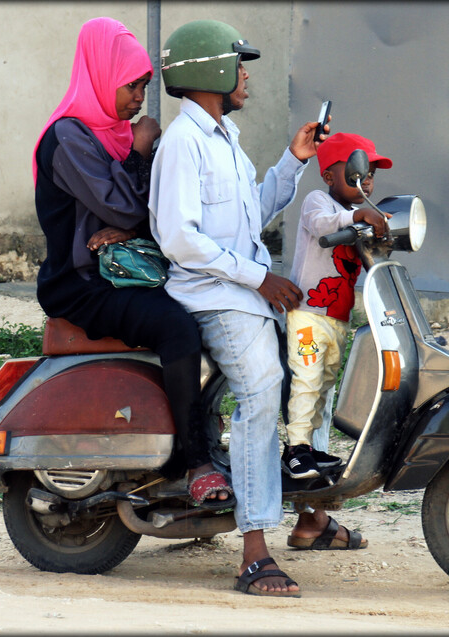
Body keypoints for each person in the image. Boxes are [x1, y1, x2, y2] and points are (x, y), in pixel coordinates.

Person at [151, 19, 365, 597]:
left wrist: (294, 160)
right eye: (238, 65)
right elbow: (181, 238)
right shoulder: (183, 143)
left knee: (313, 366)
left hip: (245, 292)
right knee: (262, 389)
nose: (246, 76)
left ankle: (311, 514)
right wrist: (259, 279)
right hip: (214, 297)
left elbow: (254, 213)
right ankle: (253, 552)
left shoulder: (226, 138)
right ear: (210, 72)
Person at [32, 17, 234, 510]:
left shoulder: (114, 135)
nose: (138, 97)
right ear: (99, 75)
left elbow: (152, 208)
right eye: (130, 85)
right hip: (82, 283)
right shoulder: (70, 138)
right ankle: (196, 463)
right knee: (177, 328)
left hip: (124, 270)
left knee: (208, 310)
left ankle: (188, 437)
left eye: (144, 84)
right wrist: (141, 152)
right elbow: (124, 204)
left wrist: (131, 221)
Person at [281, 132, 392, 481]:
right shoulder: (319, 202)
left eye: (372, 172)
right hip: (308, 315)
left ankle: (310, 447)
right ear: (329, 176)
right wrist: (357, 216)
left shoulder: (359, 214)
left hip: (337, 319)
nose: (367, 178)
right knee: (308, 381)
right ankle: (295, 449)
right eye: (359, 170)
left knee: (325, 383)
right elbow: (322, 225)